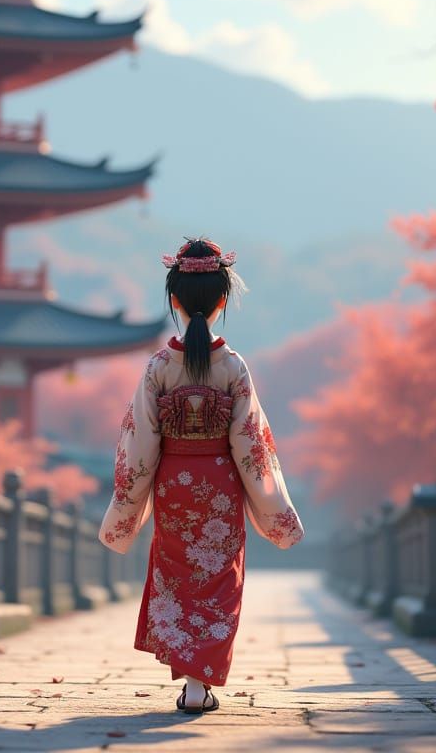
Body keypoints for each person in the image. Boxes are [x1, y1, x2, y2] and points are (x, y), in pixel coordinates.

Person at [99, 237, 304, 714]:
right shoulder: (233, 366)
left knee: (178, 576)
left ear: (173, 301)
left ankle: (192, 684)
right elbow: (251, 444)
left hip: (174, 485)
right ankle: (198, 685)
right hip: (219, 486)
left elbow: (140, 445)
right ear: (223, 301)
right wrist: (273, 506)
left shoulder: (158, 368)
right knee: (217, 580)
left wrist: (128, 504)